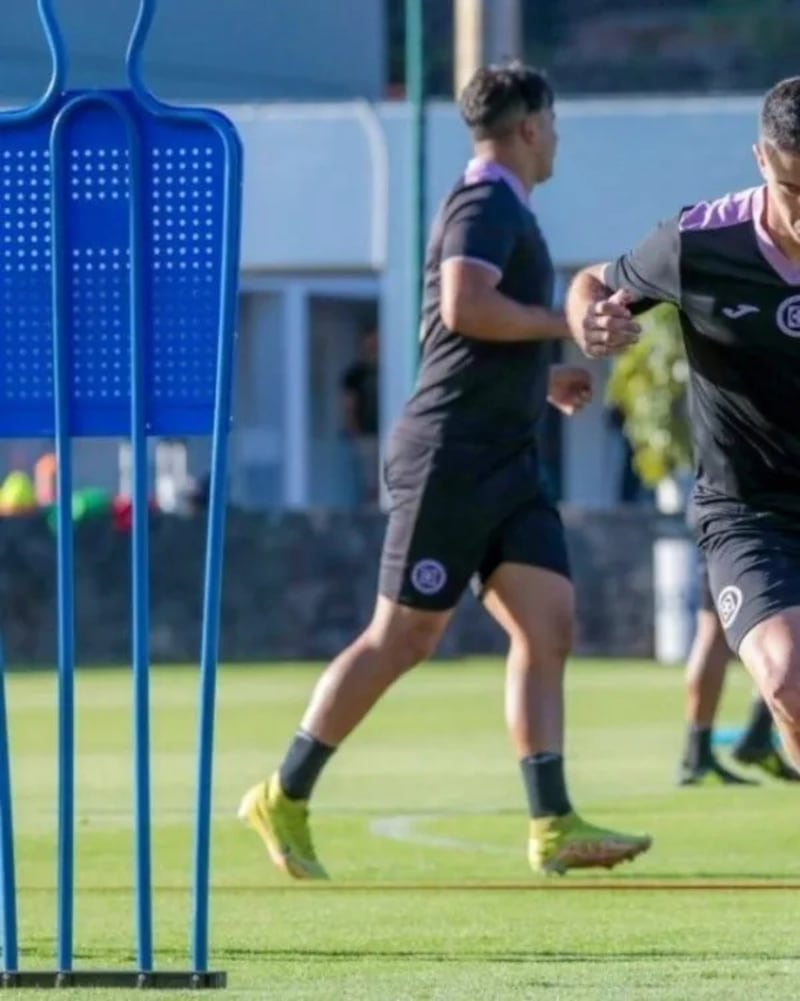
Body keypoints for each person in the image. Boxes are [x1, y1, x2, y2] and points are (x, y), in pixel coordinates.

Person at [238, 62, 652, 879]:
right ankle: (283, 792)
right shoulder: (484, 202)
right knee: (404, 636)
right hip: (450, 456)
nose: (558, 137)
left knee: (549, 622)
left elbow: (470, 332)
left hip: (503, 455)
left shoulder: (508, 205)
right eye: (555, 122)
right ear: (531, 126)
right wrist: (564, 325)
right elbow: (464, 307)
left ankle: (552, 822)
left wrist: (542, 374)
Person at [565, 76, 800, 778]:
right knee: (786, 679)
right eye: (796, 188)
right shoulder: (700, 243)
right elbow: (593, 282)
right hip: (749, 510)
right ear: (762, 160)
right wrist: (588, 317)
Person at [679, 502, 800, 785]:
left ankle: (750, 737)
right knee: (720, 631)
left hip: (758, 512)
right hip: (736, 518)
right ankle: (703, 751)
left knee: (777, 632)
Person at [341, 327, 380, 505]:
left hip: (387, 433)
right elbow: (349, 404)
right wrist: (353, 430)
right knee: (369, 481)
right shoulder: (356, 374)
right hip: (366, 436)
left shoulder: (387, 372)